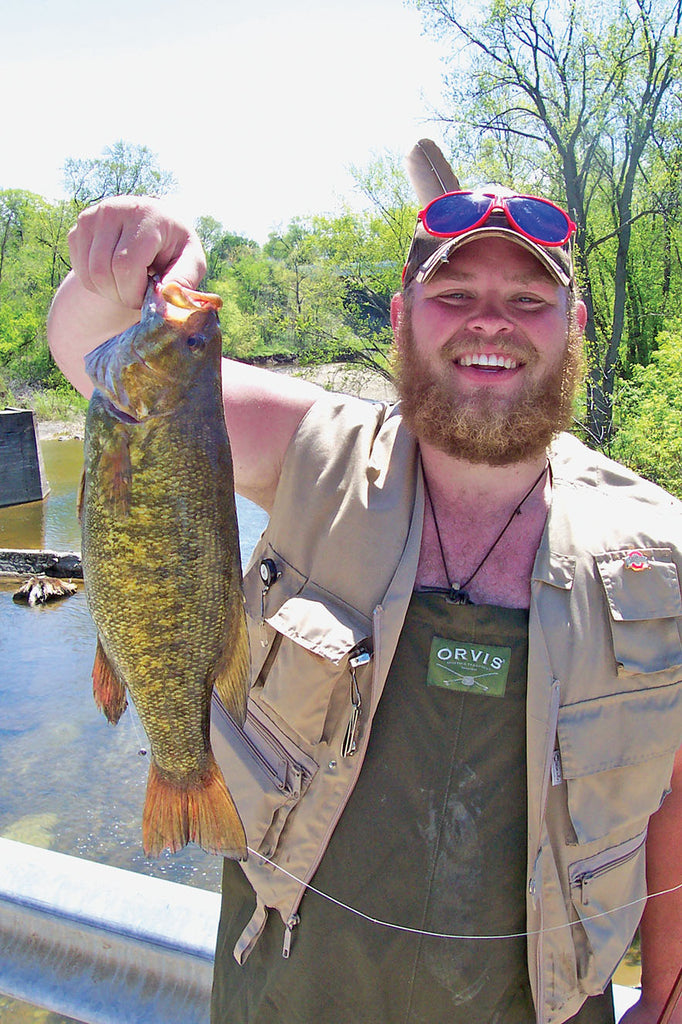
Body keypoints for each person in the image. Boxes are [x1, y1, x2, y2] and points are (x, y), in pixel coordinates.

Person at [47, 144, 682, 1024]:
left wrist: (670, 989)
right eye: (454, 295)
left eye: (528, 301)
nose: (489, 322)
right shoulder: (317, 453)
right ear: (401, 319)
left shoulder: (662, 551)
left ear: (573, 330)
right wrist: (129, 262)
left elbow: (673, 788)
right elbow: (95, 357)